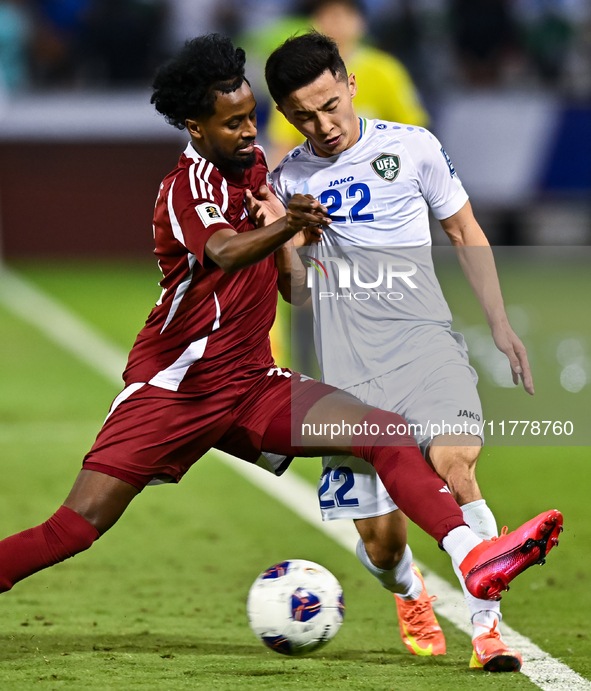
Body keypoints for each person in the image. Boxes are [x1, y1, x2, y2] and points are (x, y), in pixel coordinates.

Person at [0, 36, 561, 648]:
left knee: (385, 433)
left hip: (252, 386)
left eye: (251, 115)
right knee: (78, 525)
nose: (250, 131)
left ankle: (470, 558)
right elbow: (222, 251)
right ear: (196, 125)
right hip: (176, 389)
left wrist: (295, 246)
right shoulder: (186, 187)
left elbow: (292, 289)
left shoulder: (259, 172)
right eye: (235, 122)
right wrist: (288, 223)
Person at [264, 31, 548, 671]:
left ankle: (487, 632)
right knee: (385, 546)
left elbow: (463, 228)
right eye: (305, 116)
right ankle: (412, 591)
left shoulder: (412, 148)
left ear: (350, 83)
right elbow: (296, 294)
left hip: (425, 348)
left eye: (330, 104)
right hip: (346, 377)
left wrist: (499, 324)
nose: (324, 124)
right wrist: (288, 236)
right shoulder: (287, 185)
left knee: (458, 462)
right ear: (286, 116)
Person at [265, 0, 429, 169]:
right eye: (327, 15)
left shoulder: (386, 70)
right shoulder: (295, 78)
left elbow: (412, 130)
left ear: (361, 22)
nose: (335, 24)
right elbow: (283, 143)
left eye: (343, 15)